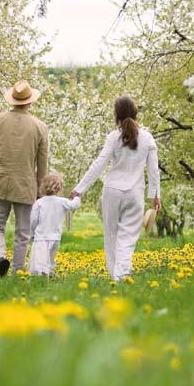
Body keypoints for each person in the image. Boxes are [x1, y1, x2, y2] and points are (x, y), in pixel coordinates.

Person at [71, 96, 161, 281]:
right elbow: (153, 170)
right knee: (128, 237)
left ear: (116, 115)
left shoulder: (113, 137)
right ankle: (122, 274)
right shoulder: (148, 138)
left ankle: (116, 276)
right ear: (135, 113)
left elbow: (99, 164)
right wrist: (155, 195)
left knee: (111, 235)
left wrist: (80, 189)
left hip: (112, 192)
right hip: (134, 193)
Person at [0, 79, 48, 277]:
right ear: (30, 101)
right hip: (26, 185)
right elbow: (42, 164)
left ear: (12, 99)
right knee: (23, 233)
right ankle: (18, 270)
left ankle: (0, 257)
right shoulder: (40, 127)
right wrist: (40, 190)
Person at [28, 173, 81, 275]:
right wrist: (77, 197)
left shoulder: (39, 202)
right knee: (50, 260)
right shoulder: (62, 201)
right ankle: (50, 274)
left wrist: (32, 234)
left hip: (41, 237)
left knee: (39, 262)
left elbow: (33, 220)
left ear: (43, 186)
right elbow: (75, 205)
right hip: (56, 237)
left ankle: (40, 278)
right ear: (59, 187)